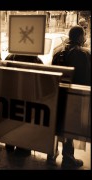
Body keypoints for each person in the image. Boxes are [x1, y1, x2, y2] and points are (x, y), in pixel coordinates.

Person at [52, 25, 91, 168]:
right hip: (75, 96)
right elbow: (87, 79)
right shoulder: (83, 54)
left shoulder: (57, 51)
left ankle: (52, 153)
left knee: (58, 125)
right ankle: (68, 158)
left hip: (57, 95)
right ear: (80, 37)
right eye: (84, 34)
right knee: (70, 127)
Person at [3, 54, 43, 156]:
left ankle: (10, 144)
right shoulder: (36, 61)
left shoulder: (10, 58)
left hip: (11, 96)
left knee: (12, 120)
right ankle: (22, 147)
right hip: (28, 98)